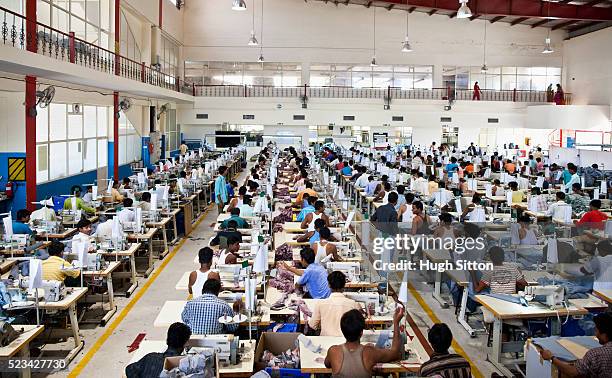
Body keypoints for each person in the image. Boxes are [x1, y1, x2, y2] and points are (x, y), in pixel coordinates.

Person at [324, 307, 404, 377]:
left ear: (342, 331)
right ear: (361, 333)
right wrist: (396, 323)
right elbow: (395, 353)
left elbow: (327, 364)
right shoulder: (369, 352)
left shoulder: (333, 351)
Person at [539, 312, 612, 377]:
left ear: (604, 334)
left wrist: (551, 358)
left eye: (596, 330)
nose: (596, 335)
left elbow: (573, 372)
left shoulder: (596, 355)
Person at [125, 322, 192, 378]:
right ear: (185, 343)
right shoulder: (186, 367)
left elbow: (128, 370)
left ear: (167, 340)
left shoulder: (150, 358)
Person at [308, 271, 362, 337]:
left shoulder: (320, 304)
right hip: (345, 342)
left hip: (326, 342)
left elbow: (312, 325)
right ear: (344, 285)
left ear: (329, 285)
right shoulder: (354, 305)